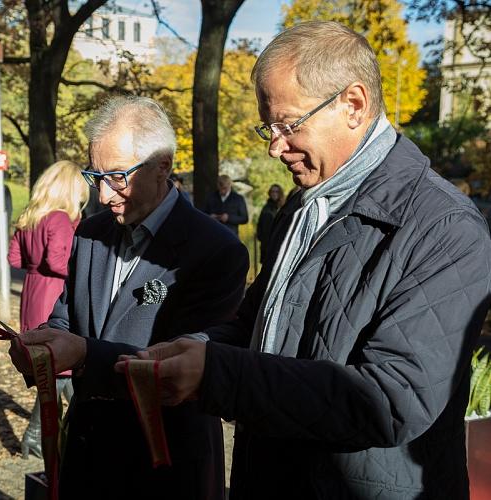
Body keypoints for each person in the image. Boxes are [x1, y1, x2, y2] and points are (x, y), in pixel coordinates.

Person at [120, 21, 491, 499]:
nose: (275, 147)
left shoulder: (445, 227)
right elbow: (256, 324)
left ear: (353, 105)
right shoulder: (304, 203)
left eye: (289, 125)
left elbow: (391, 399)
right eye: (267, 129)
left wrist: (217, 374)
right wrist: (193, 349)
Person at [9, 96, 249, 498]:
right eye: (94, 176)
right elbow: (65, 318)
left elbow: (180, 366)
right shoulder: (90, 233)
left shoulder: (216, 251)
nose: (103, 195)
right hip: (87, 455)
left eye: (118, 176)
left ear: (163, 167)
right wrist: (44, 349)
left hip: (164, 465)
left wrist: (83, 353)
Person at [8, 160, 90, 459]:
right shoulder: (58, 219)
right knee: (60, 368)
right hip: (53, 295)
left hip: (32, 292)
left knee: (54, 371)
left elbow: (14, 258)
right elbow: (58, 262)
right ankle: (44, 436)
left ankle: (46, 436)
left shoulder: (32, 216)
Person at [256, 183, 283, 262]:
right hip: (266, 243)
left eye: (276, 191)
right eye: (272, 191)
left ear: (280, 193)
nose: (274, 193)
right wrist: (261, 237)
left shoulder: (283, 207)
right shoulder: (266, 207)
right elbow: (259, 224)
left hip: (279, 244)